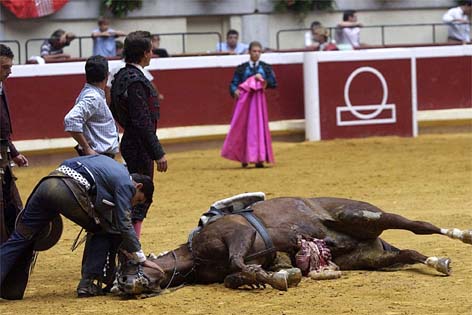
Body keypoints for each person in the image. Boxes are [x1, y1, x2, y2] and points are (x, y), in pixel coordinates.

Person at [0, 154, 163, 299]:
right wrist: (140, 257)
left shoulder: (109, 165)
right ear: (138, 187)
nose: (134, 204)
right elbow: (124, 222)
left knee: (18, 239)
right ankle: (87, 284)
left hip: (46, 184)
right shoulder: (126, 184)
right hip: (67, 190)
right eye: (139, 200)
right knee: (102, 230)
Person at [64, 55, 121, 297]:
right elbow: (71, 120)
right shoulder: (91, 96)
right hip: (100, 162)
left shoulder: (91, 94)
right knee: (105, 220)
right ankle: (91, 279)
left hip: (99, 160)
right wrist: (87, 148)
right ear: (106, 76)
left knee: (103, 220)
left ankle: (96, 275)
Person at [110, 31, 168, 238]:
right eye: (151, 50)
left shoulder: (120, 76)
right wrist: (158, 152)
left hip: (131, 140)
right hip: (139, 145)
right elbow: (143, 122)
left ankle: (129, 244)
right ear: (144, 53)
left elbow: (115, 108)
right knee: (141, 195)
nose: (152, 54)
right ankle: (131, 246)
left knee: (133, 194)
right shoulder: (136, 81)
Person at [0, 44, 30, 300]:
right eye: (4, 67)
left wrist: (13, 152)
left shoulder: (1, 86)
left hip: (2, 163)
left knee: (12, 214)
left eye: (10, 66)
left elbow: (2, 132)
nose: (9, 71)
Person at [222, 41, 277, 168]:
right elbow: (233, 83)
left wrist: (263, 81)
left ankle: (259, 159)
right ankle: (244, 157)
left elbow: (273, 83)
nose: (256, 54)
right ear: (249, 52)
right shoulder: (241, 68)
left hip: (258, 103)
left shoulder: (266, 68)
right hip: (244, 103)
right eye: (254, 51)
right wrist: (234, 90)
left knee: (259, 129)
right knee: (244, 129)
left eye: (259, 51)